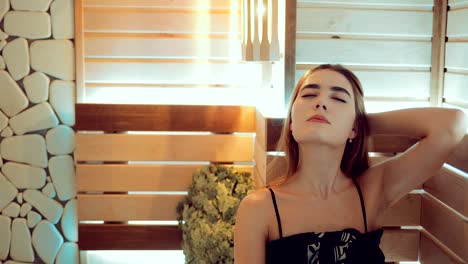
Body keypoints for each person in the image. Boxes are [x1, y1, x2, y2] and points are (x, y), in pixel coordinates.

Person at [234, 64, 467, 263]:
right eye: (308, 95)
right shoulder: (259, 209)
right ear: (292, 122)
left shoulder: (371, 192)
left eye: (338, 98)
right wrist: (344, 120)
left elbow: (451, 125)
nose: (321, 103)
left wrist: (358, 124)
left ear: (355, 128)